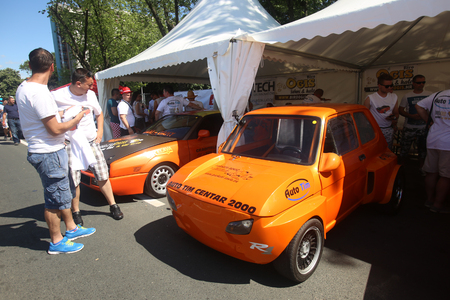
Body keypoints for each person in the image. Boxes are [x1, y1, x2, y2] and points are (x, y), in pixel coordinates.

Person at [16, 48, 95, 254]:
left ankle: (71, 228)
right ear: (52, 67)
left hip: (47, 149)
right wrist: (76, 119)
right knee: (54, 199)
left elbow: (42, 117)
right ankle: (56, 241)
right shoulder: (39, 93)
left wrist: (60, 113)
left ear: (30, 65)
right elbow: (54, 129)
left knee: (63, 192)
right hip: (48, 151)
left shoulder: (24, 87)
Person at [51, 68, 124, 225]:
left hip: (91, 141)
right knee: (74, 179)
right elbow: (48, 118)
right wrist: (58, 133)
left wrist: (100, 132)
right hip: (71, 143)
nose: (92, 88)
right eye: (89, 85)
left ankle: (113, 205)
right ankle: (76, 212)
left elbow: (99, 113)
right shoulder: (57, 96)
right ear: (78, 83)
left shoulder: (90, 95)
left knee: (102, 174)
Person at [416, 90, 450, 213]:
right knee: (446, 176)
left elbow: (419, 106)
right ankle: (438, 204)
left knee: (431, 172)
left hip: (433, 139)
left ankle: (429, 200)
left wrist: (428, 121)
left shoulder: (439, 94)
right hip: (447, 143)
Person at [398, 75, 432, 169]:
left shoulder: (429, 95)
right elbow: (400, 110)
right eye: (419, 82)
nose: (421, 84)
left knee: (422, 149)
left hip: (423, 127)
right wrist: (411, 116)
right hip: (409, 127)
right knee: (404, 148)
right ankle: (401, 167)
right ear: (413, 83)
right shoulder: (407, 96)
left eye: (423, 82)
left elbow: (433, 110)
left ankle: (422, 167)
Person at [364, 73, 399, 150]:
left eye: (391, 85)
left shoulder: (394, 96)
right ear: (379, 85)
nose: (389, 88)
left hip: (388, 128)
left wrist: (394, 117)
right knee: (374, 150)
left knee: (387, 150)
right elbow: (364, 116)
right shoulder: (370, 98)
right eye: (387, 86)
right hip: (375, 129)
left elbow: (396, 112)